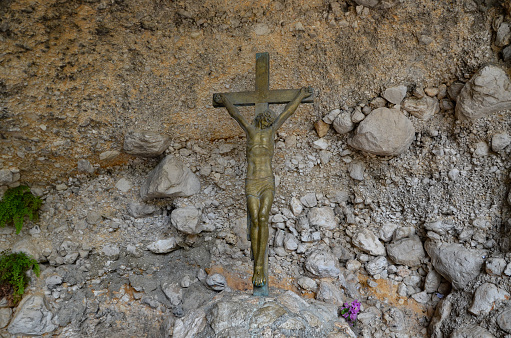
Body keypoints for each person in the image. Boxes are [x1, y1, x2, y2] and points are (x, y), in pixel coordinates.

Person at [213, 87, 313, 286]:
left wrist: (300, 96)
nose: (268, 121)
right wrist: (225, 100)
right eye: (266, 119)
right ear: (260, 119)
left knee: (262, 218)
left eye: (270, 120)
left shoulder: (271, 132)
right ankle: (257, 265)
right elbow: (236, 115)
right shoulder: (250, 131)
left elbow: (287, 112)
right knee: (255, 222)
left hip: (267, 180)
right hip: (251, 182)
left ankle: (259, 265)